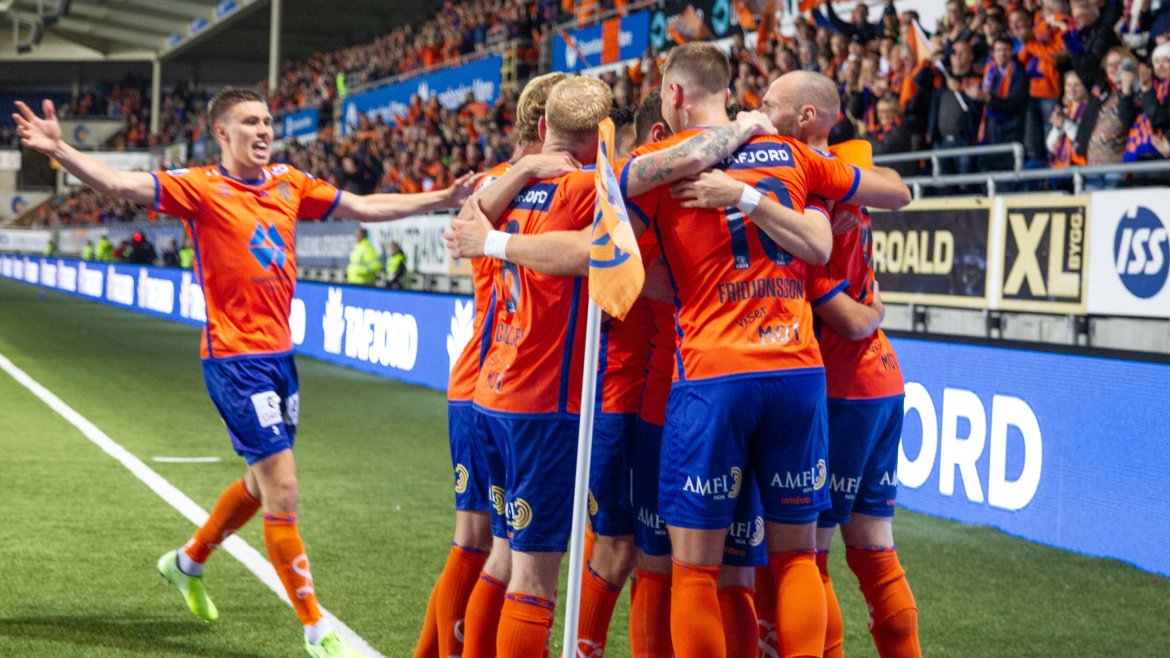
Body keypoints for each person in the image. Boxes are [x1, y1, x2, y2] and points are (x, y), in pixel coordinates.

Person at [12, 88, 476, 658]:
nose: (263, 131)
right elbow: (120, 184)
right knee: (283, 487)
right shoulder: (201, 187)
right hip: (234, 361)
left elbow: (362, 206)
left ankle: (188, 562)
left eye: (268, 121)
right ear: (222, 133)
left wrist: (441, 198)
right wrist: (60, 151)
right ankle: (317, 629)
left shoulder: (289, 182)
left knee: (260, 483)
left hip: (280, 359)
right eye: (250, 122)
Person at [634, 61, 910, 658]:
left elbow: (622, 250)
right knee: (799, 558)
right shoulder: (798, 158)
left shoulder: (666, 161)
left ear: (674, 95)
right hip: (798, 371)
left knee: (695, 571)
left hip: (714, 373)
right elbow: (893, 191)